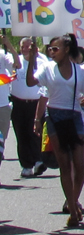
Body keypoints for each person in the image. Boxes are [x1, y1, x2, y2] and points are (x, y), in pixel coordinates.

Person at [28, 34, 84, 227]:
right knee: (64, 165)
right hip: (54, 118)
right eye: (50, 49)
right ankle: (72, 209)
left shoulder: (80, 72)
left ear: (66, 49)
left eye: (55, 48)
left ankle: (73, 201)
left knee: (80, 166)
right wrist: (33, 58)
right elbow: (30, 82)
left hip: (74, 117)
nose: (52, 52)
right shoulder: (47, 68)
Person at [10, 37, 45, 178]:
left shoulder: (42, 63)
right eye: (23, 46)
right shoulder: (15, 62)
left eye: (28, 47)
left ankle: (38, 160)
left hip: (35, 103)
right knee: (21, 134)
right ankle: (26, 165)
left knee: (35, 133)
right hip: (18, 103)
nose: (25, 49)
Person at [0, 33, 20, 175]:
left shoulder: (3, 54)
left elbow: (17, 64)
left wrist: (9, 46)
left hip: (2, 106)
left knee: (1, 143)